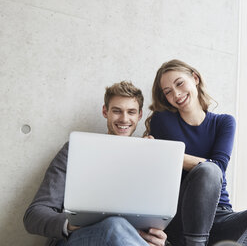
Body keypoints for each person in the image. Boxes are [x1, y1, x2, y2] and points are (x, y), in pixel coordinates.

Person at [144, 59, 247, 246]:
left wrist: (171, 154)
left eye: (179, 83)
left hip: (220, 215)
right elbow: (160, 169)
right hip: (182, 217)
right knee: (208, 170)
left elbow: (219, 166)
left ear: (195, 78)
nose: (176, 94)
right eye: (168, 92)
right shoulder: (162, 121)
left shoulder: (224, 122)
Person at [24, 81, 167, 246]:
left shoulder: (148, 156)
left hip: (129, 239)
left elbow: (155, 217)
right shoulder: (76, 150)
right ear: (105, 111)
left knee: (119, 228)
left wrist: (156, 239)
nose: (124, 119)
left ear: (139, 115)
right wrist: (70, 224)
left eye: (131, 112)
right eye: (117, 111)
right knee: (113, 226)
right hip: (74, 240)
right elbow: (33, 215)